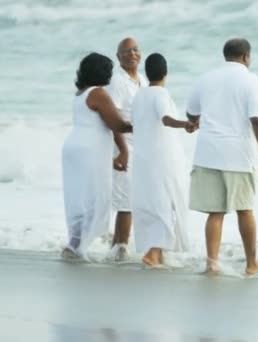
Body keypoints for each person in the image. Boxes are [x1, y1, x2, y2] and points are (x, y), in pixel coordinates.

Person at [186, 38, 258, 276]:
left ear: (226, 55)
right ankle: (251, 263)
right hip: (237, 154)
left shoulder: (205, 79)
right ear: (246, 57)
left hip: (207, 153)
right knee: (244, 210)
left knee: (216, 212)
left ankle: (212, 264)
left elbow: (192, 113)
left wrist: (195, 121)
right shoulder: (252, 80)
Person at [61, 52, 132, 259]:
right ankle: (77, 248)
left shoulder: (80, 93)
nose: (110, 74)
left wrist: (114, 157)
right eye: (108, 70)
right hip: (88, 150)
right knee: (94, 199)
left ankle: (74, 245)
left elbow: (99, 125)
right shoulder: (98, 93)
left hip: (75, 148)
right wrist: (142, 124)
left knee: (79, 199)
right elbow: (116, 124)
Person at [131, 53, 194, 268]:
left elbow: (137, 124)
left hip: (143, 156)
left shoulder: (139, 95)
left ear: (147, 73)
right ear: (166, 73)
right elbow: (166, 120)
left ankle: (158, 254)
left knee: (153, 202)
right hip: (162, 157)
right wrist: (186, 124)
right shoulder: (161, 95)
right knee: (166, 200)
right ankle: (153, 253)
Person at [105, 37, 149, 261]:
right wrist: (122, 150)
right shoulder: (117, 82)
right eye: (127, 51)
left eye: (136, 50)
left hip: (141, 148)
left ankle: (118, 250)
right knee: (125, 203)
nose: (133, 54)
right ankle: (118, 251)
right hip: (124, 148)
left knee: (134, 201)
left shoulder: (141, 79)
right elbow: (112, 118)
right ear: (118, 57)